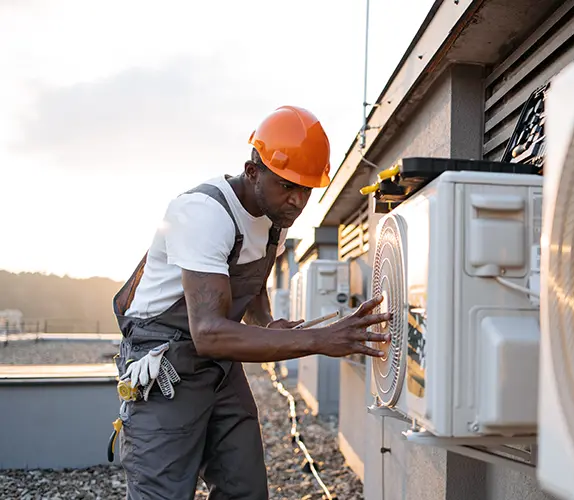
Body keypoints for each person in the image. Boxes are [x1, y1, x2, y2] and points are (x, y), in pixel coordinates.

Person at [109, 105, 391, 500]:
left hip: (219, 367)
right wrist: (319, 340)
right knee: (163, 492)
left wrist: (265, 322)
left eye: (306, 190)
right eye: (286, 186)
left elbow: (251, 279)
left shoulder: (274, 220)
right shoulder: (204, 213)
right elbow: (207, 333)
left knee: (244, 487)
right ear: (253, 170)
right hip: (164, 365)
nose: (296, 200)